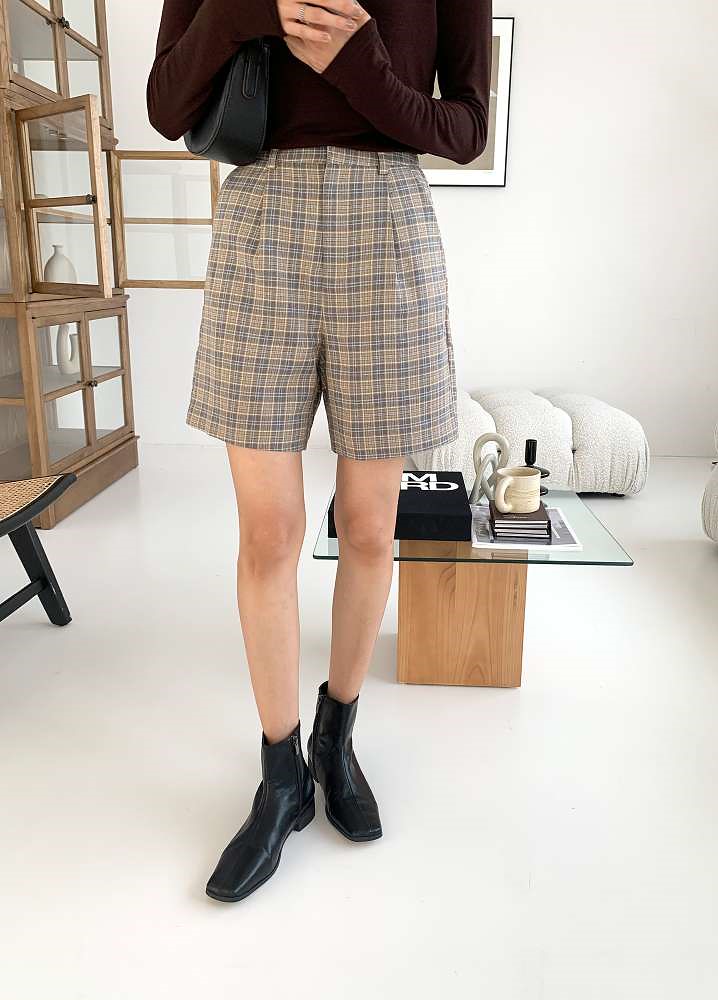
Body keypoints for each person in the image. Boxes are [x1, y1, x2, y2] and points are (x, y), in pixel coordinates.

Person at [146, 0, 491, 902]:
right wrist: (244, 12)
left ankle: (337, 739)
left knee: (370, 528)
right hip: (262, 217)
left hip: (388, 221)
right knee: (268, 535)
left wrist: (360, 62)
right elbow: (166, 106)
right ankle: (281, 776)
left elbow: (467, 130)